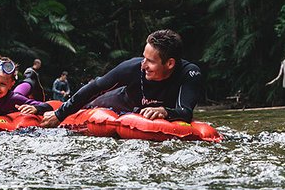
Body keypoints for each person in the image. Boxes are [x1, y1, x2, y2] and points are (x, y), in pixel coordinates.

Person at [41, 29, 202, 127]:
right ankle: (43, 107)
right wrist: (59, 114)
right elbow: (95, 87)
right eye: (143, 58)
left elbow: (185, 112)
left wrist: (164, 111)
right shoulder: (131, 68)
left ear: (170, 63)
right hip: (116, 102)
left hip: (144, 113)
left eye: (151, 61)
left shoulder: (189, 74)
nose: (143, 65)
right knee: (88, 104)